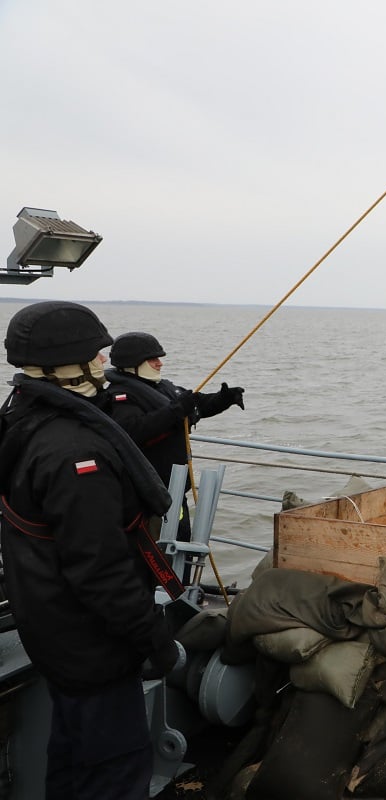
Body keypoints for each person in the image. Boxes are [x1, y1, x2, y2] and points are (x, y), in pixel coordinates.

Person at [0, 301, 178, 798]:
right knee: (116, 770)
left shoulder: (23, 420)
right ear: (66, 366)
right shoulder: (77, 453)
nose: (104, 362)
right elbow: (99, 570)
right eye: (96, 354)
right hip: (91, 646)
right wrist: (153, 637)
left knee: (73, 755)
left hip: (51, 631)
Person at [104, 331, 244, 578]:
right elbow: (132, 431)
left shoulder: (162, 388)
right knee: (158, 555)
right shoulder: (121, 397)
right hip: (149, 496)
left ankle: (183, 587)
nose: (160, 363)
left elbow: (194, 404)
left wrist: (224, 398)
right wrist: (176, 411)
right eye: (153, 359)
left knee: (182, 545)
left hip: (175, 490)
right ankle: (162, 591)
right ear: (133, 363)